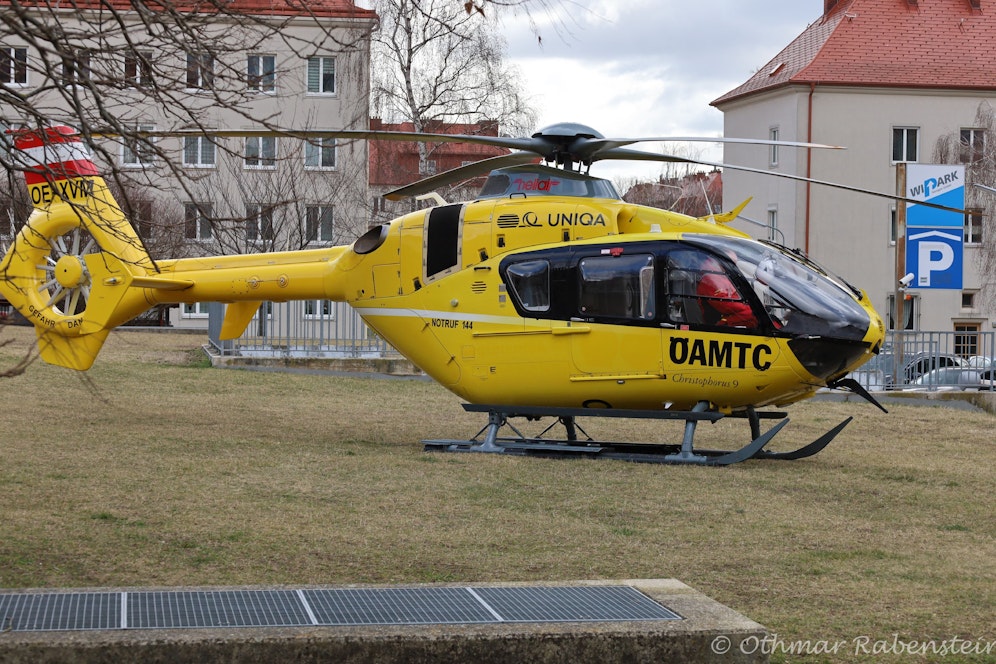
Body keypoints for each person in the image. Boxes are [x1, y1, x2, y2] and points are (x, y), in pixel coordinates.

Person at [696, 255, 758, 327]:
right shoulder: (710, 279)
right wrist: (752, 307)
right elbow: (726, 305)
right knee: (755, 315)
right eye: (730, 264)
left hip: (731, 316)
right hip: (718, 324)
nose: (732, 267)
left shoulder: (723, 276)